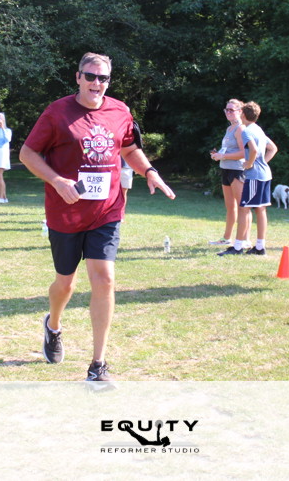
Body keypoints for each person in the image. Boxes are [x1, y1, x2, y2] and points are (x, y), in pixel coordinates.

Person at [20, 52, 175, 382]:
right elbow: (27, 153)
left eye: (103, 78)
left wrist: (149, 171)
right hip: (65, 212)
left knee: (104, 279)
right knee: (65, 284)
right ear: (78, 77)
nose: (96, 83)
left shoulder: (120, 111)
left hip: (107, 210)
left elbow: (129, 148)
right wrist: (57, 181)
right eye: (90, 76)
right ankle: (53, 325)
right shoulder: (57, 112)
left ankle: (98, 365)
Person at [234, 101, 278, 256]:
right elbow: (273, 148)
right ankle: (260, 247)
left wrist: (249, 164)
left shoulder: (246, 131)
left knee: (244, 209)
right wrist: (262, 162)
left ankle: (237, 247)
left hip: (254, 176)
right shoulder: (258, 129)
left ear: (243, 114)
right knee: (261, 209)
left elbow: (252, 150)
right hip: (265, 175)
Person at [209, 99, 246, 248]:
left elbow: (244, 153)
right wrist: (217, 155)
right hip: (226, 169)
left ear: (240, 112)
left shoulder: (240, 129)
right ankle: (226, 238)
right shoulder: (229, 128)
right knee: (230, 207)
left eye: (232, 110)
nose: (228, 112)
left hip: (237, 170)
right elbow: (228, 150)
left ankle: (243, 240)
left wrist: (223, 156)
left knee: (242, 207)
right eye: (226, 110)